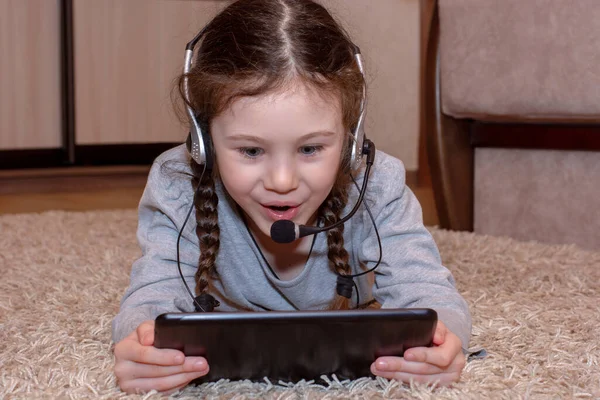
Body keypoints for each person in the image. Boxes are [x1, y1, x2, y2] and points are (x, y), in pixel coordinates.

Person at [112, 0, 472, 394]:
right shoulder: (179, 181)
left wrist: (444, 339)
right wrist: (139, 342)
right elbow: (154, 291)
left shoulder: (376, 183)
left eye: (310, 149)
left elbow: (429, 291)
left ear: (350, 142)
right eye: (251, 151)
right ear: (204, 144)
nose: (282, 182)